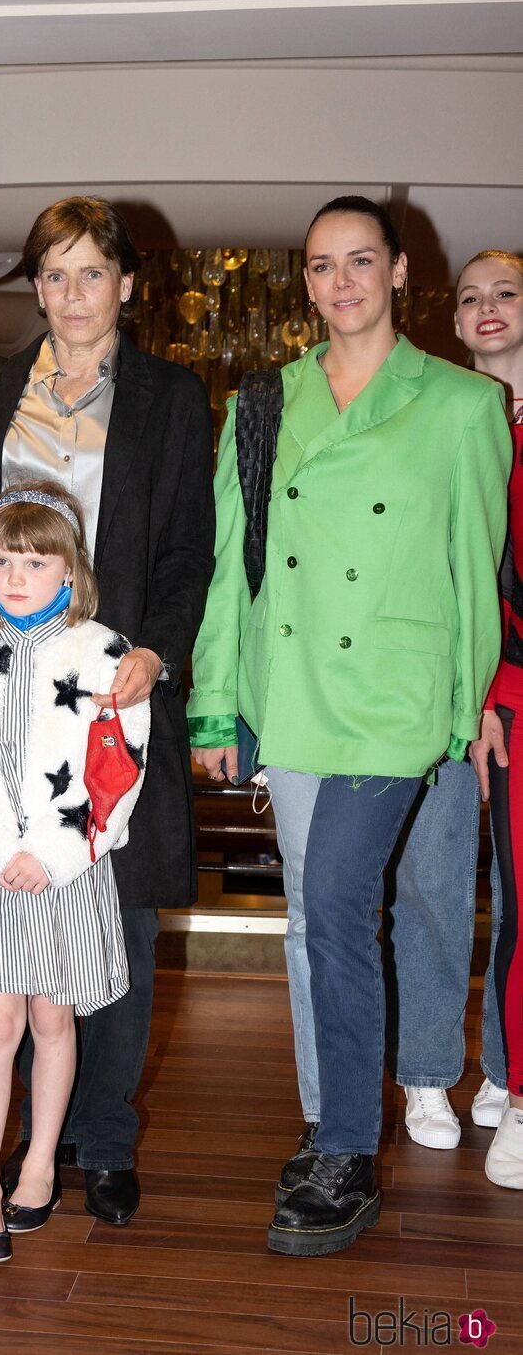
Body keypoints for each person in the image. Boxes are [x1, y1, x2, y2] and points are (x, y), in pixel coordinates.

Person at [191, 195, 510, 1256]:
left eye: (358, 261)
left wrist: (463, 707)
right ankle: (332, 1124)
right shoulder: (263, 401)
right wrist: (212, 700)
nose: (339, 283)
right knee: (314, 916)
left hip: (393, 698)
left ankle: (342, 1147)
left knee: (332, 905)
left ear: (397, 270)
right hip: (289, 697)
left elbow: (472, 567)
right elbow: (229, 570)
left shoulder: (460, 405)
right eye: (321, 266)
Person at [0, 196, 214, 1225]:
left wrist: (152, 653)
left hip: (106, 694)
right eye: (51, 274)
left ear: (126, 285)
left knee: (116, 924)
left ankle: (102, 1141)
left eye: (90, 272)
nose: (70, 293)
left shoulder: (171, 398)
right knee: (14, 936)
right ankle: (22, 1150)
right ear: (34, 288)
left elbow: (184, 549)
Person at [0, 482, 149, 1261]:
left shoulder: (104, 653)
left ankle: (41, 1164)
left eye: (36, 560)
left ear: (69, 570)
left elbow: (117, 774)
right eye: (3, 558)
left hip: (68, 873)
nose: (17, 575)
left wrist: (49, 858)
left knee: (54, 1019)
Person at [461, 249, 523, 1188]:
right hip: (506, 688)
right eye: (469, 297)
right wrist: (482, 696)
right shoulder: (457, 425)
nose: (486, 309)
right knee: (515, 903)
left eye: (506, 293)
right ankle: (514, 1086)